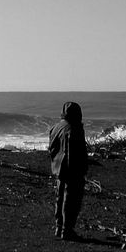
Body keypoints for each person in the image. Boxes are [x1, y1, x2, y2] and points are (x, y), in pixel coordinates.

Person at [48, 101, 88, 240]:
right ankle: (67, 230)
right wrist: (81, 170)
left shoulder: (56, 127)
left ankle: (59, 228)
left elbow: (52, 149)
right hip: (72, 169)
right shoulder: (73, 128)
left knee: (60, 198)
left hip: (58, 168)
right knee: (71, 200)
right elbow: (73, 151)